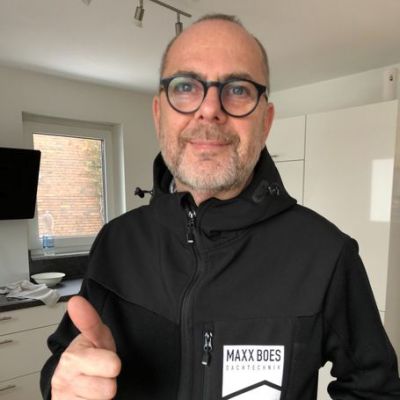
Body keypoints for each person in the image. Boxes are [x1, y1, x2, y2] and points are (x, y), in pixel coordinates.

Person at [41, 14, 400, 400]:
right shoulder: (117, 242)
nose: (210, 109)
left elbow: (375, 389)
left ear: (265, 121)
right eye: (185, 86)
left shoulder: (326, 254)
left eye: (238, 89)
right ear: (159, 114)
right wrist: (61, 382)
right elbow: (66, 357)